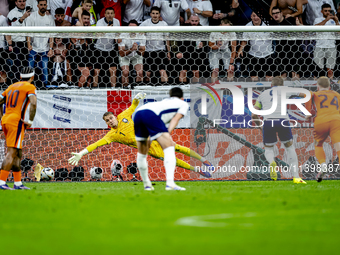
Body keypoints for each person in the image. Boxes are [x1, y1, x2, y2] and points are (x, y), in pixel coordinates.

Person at [68, 92, 213, 181]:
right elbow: (96, 144)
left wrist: (137, 98)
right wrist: (81, 154)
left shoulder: (123, 116)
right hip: (148, 148)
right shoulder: (111, 135)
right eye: (107, 121)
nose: (110, 121)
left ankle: (205, 161)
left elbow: (133, 106)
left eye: (111, 118)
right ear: (106, 123)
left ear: (115, 117)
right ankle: (198, 170)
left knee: (178, 148)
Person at [132, 87, 191, 190]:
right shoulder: (183, 104)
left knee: (142, 153)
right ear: (182, 97)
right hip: (150, 114)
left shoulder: (164, 102)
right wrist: (167, 134)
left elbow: (155, 122)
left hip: (138, 113)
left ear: (171, 96)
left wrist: (151, 137)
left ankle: (147, 185)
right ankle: (170, 184)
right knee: (169, 147)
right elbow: (175, 119)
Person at [251, 76, 307, 184]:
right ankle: (296, 177)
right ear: (282, 85)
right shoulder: (286, 89)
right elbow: (304, 94)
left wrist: (260, 126)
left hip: (268, 121)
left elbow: (254, 114)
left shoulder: (262, 94)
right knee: (290, 147)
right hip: (283, 121)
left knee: (268, 149)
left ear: (271, 85)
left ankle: (272, 162)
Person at [0, 67, 37, 190]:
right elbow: (33, 103)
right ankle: (1, 182)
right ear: (32, 77)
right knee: (11, 152)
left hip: (6, 120)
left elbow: (0, 100)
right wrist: (30, 121)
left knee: (18, 153)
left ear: (20, 76)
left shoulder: (11, 87)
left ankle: (17, 183)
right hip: (16, 122)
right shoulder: (30, 87)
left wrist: (2, 117)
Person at [305, 77, 340, 182]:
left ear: (317, 86)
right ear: (329, 86)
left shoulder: (314, 94)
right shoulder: (337, 95)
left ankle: (323, 165)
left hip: (321, 121)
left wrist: (307, 115)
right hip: (336, 121)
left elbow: (307, 100)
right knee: (338, 146)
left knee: (318, 144)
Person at [25, 0, 55, 87]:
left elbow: (51, 35)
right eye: (41, 5)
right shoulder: (32, 17)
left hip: (45, 48)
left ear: (47, 6)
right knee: (30, 69)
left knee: (45, 69)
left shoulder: (50, 19)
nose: (43, 6)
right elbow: (28, 33)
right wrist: (29, 45)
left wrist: (51, 48)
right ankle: (28, 86)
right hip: (33, 47)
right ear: (37, 6)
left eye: (44, 5)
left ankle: (44, 86)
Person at [238, 12, 274, 81]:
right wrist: (240, 49)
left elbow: (276, 36)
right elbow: (244, 40)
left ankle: (268, 91)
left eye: (258, 16)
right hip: (253, 54)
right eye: (254, 16)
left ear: (261, 17)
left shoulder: (268, 25)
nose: (256, 18)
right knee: (254, 76)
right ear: (251, 17)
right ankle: (255, 91)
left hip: (268, 54)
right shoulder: (247, 27)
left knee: (269, 77)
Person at [140, 6, 170, 84]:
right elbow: (138, 31)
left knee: (162, 71)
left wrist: (168, 52)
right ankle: (147, 90)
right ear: (150, 14)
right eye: (153, 13)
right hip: (148, 51)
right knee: (147, 73)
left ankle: (165, 89)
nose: (155, 15)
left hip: (161, 50)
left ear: (159, 14)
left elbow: (167, 39)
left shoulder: (164, 24)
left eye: (157, 13)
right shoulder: (146, 23)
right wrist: (142, 32)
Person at [271, 6, 302, 80]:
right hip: (281, 52)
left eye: (277, 13)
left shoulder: (290, 20)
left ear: (281, 13)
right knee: (282, 74)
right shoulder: (272, 23)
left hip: (293, 51)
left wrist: (298, 25)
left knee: (294, 74)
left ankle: (296, 90)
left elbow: (299, 30)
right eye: (273, 13)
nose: (275, 15)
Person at [92, 7, 120, 88]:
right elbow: (98, 35)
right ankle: (94, 90)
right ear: (104, 14)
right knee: (96, 71)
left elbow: (118, 36)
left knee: (113, 70)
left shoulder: (117, 22)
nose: (110, 15)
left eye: (111, 13)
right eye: (108, 13)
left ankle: (113, 89)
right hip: (99, 48)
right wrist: (107, 28)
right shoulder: (100, 22)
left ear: (114, 14)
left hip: (111, 49)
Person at [7, 0, 31, 83]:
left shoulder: (30, 12)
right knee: (17, 65)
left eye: (24, 1)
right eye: (20, 1)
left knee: (26, 65)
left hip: (27, 42)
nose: (22, 3)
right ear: (16, 3)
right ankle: (16, 83)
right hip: (16, 43)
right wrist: (22, 18)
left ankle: (25, 83)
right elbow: (12, 27)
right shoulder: (11, 13)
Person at [67, 11, 93, 87]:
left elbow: (90, 39)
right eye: (84, 18)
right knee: (86, 73)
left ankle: (86, 89)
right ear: (80, 19)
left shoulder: (89, 29)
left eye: (88, 19)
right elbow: (74, 41)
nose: (86, 20)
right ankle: (79, 89)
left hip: (86, 54)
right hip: (76, 54)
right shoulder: (74, 27)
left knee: (90, 72)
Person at [313, 3, 339, 79]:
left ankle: (330, 88)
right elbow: (315, 28)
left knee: (330, 71)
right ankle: (317, 88)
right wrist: (326, 20)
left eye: (329, 11)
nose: (328, 12)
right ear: (321, 11)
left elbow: (339, 33)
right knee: (317, 70)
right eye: (325, 11)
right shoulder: (317, 19)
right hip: (319, 46)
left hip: (331, 47)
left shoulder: (335, 21)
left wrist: (337, 21)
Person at [118, 20, 146, 88]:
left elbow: (142, 53)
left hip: (136, 56)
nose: (132, 30)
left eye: (134, 28)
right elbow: (121, 53)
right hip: (125, 57)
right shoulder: (122, 35)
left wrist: (136, 49)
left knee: (140, 73)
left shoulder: (141, 36)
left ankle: (137, 90)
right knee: (125, 72)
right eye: (130, 28)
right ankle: (125, 90)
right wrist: (131, 49)